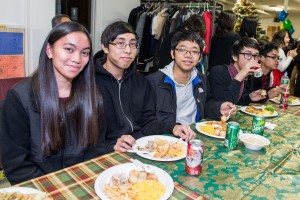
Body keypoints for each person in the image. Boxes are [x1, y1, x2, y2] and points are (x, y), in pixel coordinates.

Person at [0, 22, 105, 185]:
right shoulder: (20, 97)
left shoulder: (94, 96)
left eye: (85, 53)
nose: (77, 59)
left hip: (81, 179)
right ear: (49, 50)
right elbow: (17, 165)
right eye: (69, 49)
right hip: (39, 185)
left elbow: (96, 149)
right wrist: (56, 187)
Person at [94, 21, 195, 153]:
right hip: (107, 152)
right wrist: (111, 147)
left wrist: (173, 127)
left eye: (133, 44)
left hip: (139, 146)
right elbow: (84, 136)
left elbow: (148, 122)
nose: (128, 50)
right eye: (120, 43)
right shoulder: (89, 83)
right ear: (105, 47)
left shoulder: (141, 82)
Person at [147, 30, 236, 125]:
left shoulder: (201, 79)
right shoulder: (153, 82)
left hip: (194, 134)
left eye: (194, 51)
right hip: (165, 137)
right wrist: (173, 128)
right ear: (172, 53)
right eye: (182, 50)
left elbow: (205, 105)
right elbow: (147, 120)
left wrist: (219, 108)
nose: (188, 55)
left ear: (200, 57)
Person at [208, 37, 266, 105]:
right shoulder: (218, 72)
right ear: (235, 56)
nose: (253, 60)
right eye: (248, 54)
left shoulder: (249, 76)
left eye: (256, 55)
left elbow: (237, 101)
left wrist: (250, 97)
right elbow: (225, 104)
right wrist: (240, 76)